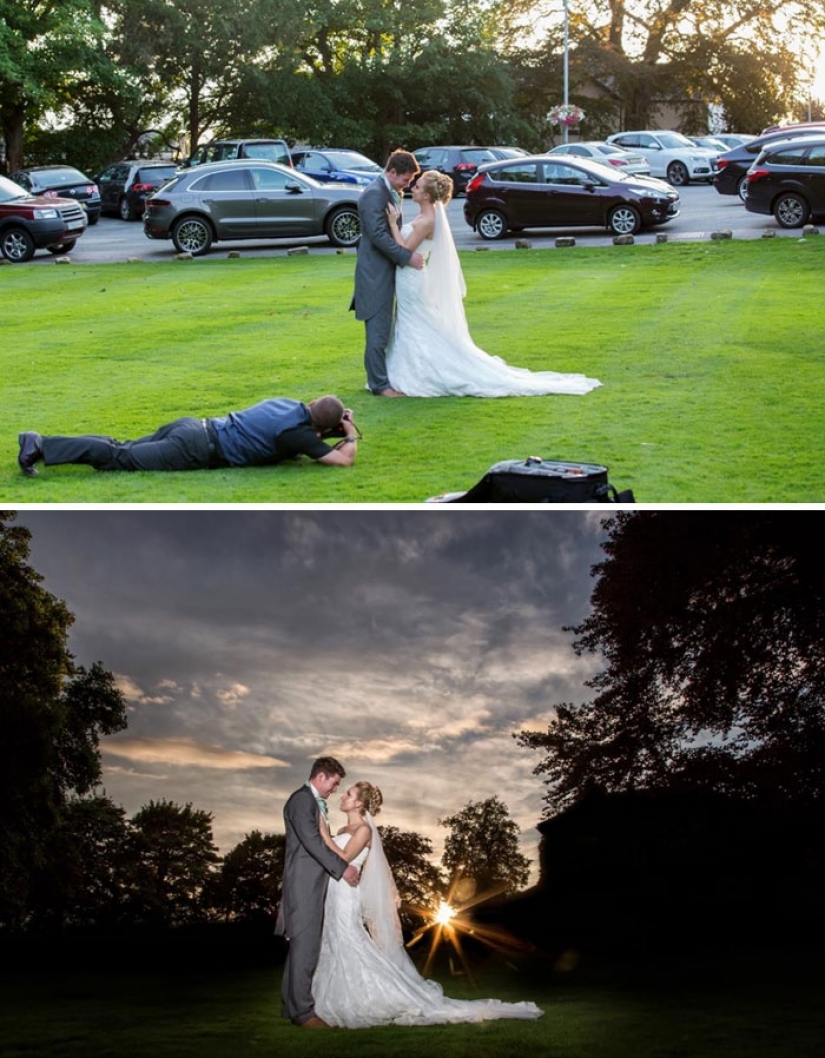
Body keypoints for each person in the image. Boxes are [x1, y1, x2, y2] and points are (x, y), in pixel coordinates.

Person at [311, 779, 544, 1028]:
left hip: (347, 894)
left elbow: (344, 856)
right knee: (334, 939)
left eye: (348, 794)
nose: (342, 796)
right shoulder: (342, 830)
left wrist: (322, 833)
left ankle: (380, 995)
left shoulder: (364, 830)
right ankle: (340, 996)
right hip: (333, 892)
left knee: (349, 938)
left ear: (359, 803)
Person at [383, 170, 602, 397]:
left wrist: (392, 225)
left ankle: (418, 372)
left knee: (414, 321)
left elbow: (404, 250)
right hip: (410, 277)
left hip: (412, 278)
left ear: (427, 195)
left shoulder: (428, 220)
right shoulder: (424, 217)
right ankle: (411, 367)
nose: (413, 189)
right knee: (413, 321)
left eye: (417, 186)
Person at [17, 395, 360, 476]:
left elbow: (295, 442)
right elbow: (344, 460)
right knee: (120, 458)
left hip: (191, 426)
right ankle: (40, 444)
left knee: (121, 446)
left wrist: (329, 425)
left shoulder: (286, 405)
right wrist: (350, 432)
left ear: (311, 403)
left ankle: (43, 444)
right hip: (194, 448)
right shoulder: (297, 435)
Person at [275, 757, 360, 1029]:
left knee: (301, 948)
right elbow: (312, 842)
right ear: (321, 776)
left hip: (309, 884)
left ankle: (292, 1008)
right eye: (334, 783)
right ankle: (304, 1014)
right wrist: (342, 869)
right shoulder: (302, 800)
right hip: (304, 885)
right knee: (307, 948)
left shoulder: (310, 801)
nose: (335, 790)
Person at [352, 150, 425, 397]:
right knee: (378, 331)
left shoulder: (389, 191)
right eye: (406, 178)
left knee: (386, 330)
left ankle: (385, 379)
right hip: (375, 274)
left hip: (387, 270)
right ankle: (380, 386)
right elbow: (378, 236)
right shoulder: (373, 195)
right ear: (392, 172)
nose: (408, 184)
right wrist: (406, 256)